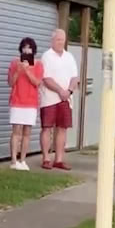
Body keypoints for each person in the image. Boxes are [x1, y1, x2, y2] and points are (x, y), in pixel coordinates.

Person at [39, 29, 79, 170]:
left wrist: (69, 91)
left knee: (62, 128)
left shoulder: (69, 57)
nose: (61, 42)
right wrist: (60, 91)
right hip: (49, 99)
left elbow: (75, 77)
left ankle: (59, 159)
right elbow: (46, 78)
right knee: (47, 128)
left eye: (62, 40)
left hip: (66, 99)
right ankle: (46, 158)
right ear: (52, 40)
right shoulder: (47, 56)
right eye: (58, 40)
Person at [7, 37, 44, 170]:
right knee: (16, 131)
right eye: (24, 47)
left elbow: (37, 83)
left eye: (29, 47)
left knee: (27, 132)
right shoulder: (14, 63)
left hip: (31, 102)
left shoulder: (38, 64)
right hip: (17, 100)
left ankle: (23, 160)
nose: (26, 50)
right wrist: (18, 70)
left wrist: (28, 70)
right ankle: (13, 160)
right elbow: (11, 83)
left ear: (33, 50)